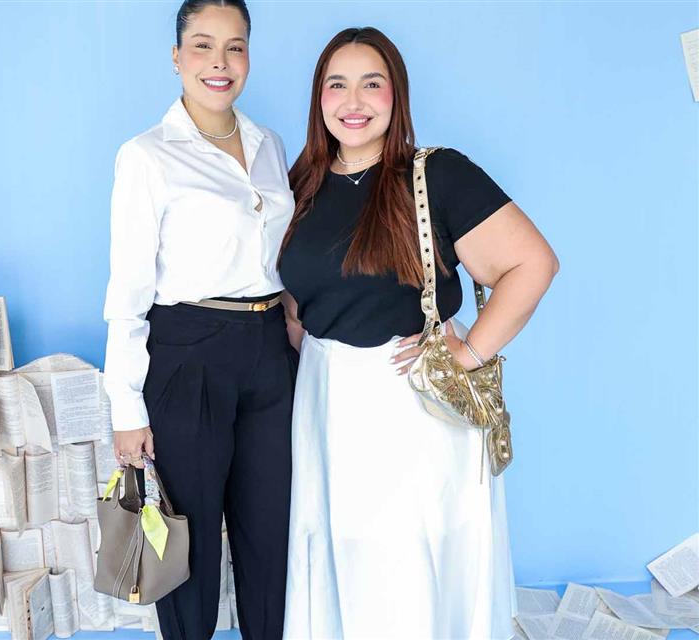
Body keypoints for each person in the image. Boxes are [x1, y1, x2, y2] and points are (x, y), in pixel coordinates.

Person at [279, 27, 559, 639]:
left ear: (396, 95)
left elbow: (533, 263)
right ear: (319, 97)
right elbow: (296, 295)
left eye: (371, 84)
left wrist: (469, 352)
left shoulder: (436, 175)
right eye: (337, 85)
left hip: (410, 403)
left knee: (407, 563)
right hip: (324, 400)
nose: (354, 101)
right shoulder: (301, 183)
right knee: (339, 553)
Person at [101, 2, 296, 638]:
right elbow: (128, 288)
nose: (220, 62)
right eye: (203, 45)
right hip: (190, 352)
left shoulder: (270, 146)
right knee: (189, 541)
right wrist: (126, 407)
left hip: (271, 349)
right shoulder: (147, 156)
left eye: (235, 47)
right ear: (177, 57)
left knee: (270, 529)